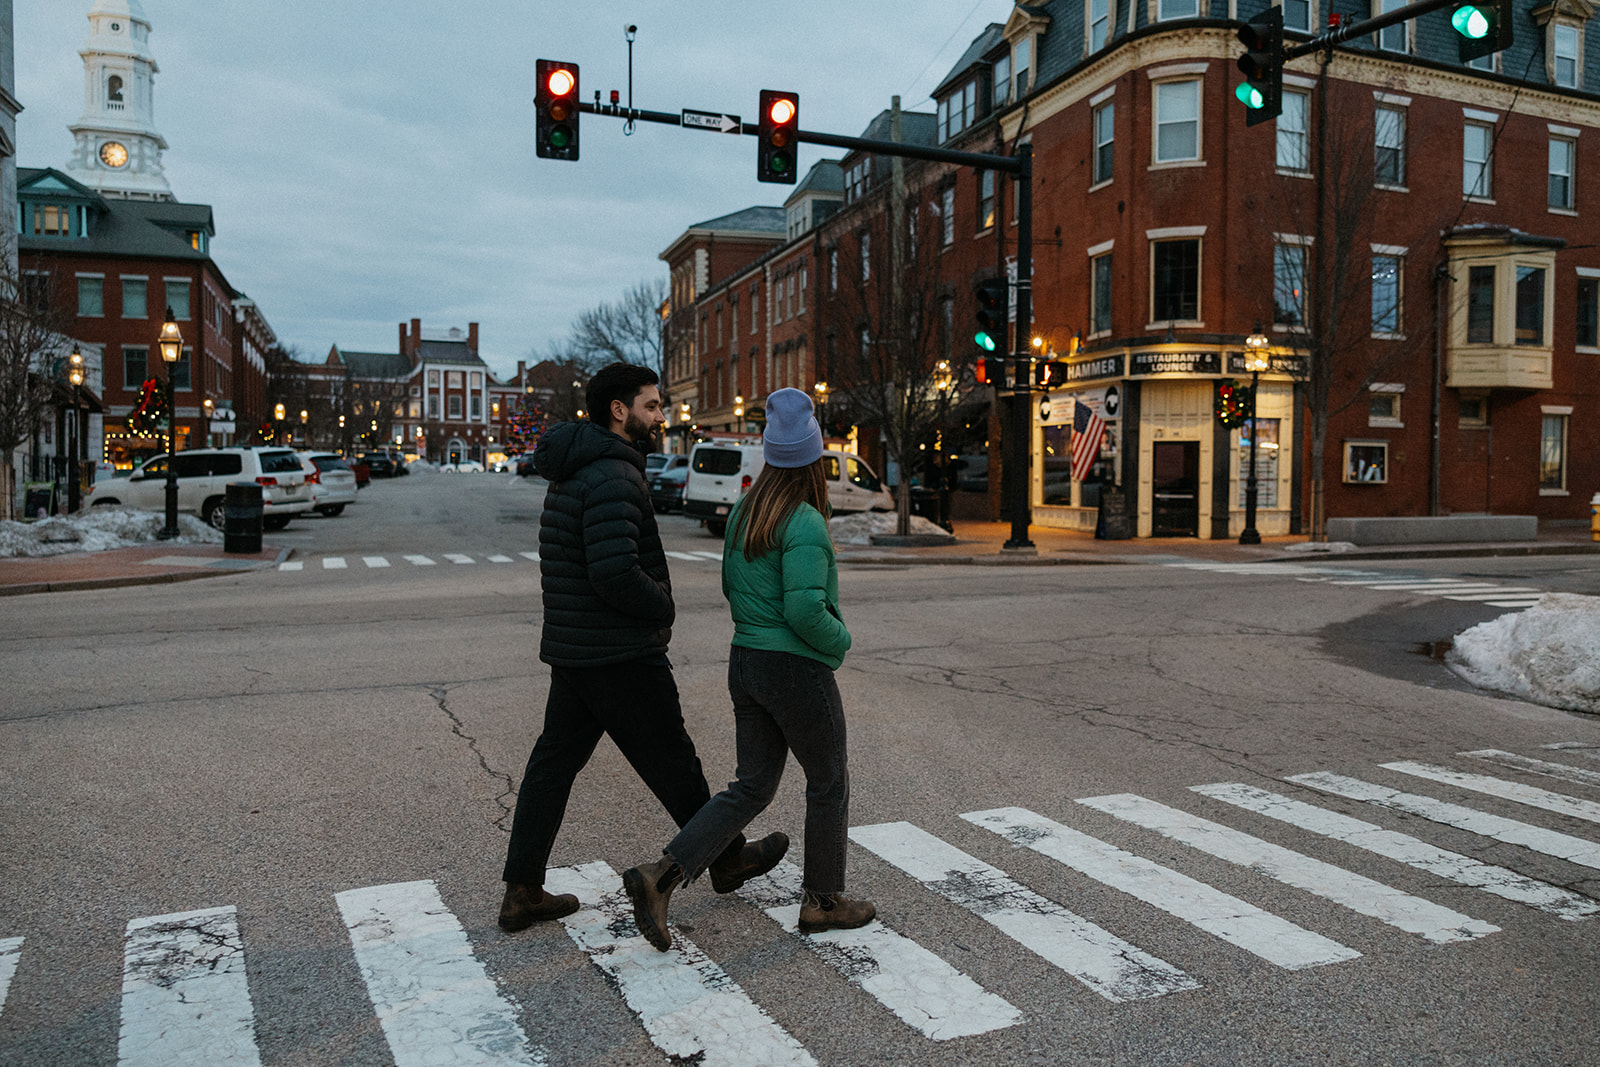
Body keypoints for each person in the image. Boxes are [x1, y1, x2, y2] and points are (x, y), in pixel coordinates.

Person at [498, 362, 789, 931]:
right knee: (674, 763)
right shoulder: (611, 473)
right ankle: (725, 859)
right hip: (618, 651)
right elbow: (613, 573)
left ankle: (522, 890)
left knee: (554, 765)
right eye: (652, 406)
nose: (661, 415)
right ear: (618, 410)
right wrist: (661, 602)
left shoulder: (579, 467)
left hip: (579, 647)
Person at [622, 387, 875, 951]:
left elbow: (730, 588)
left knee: (752, 786)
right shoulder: (804, 520)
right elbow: (806, 609)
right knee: (828, 781)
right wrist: (841, 641)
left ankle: (660, 877)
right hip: (795, 667)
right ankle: (824, 901)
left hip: (747, 662)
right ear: (812, 457)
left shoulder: (744, 513)